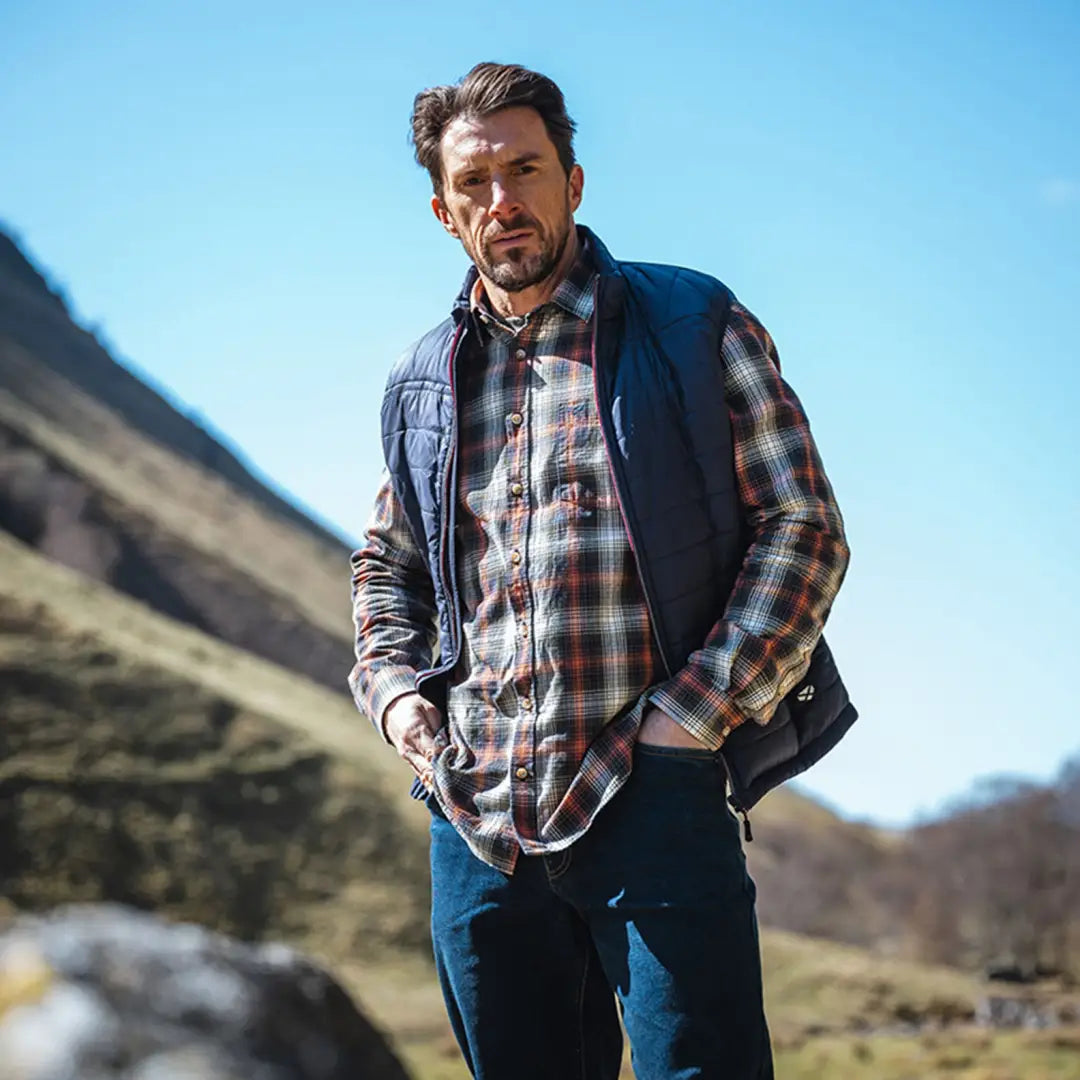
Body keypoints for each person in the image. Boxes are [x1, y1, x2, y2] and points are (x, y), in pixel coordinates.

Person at [349, 61, 855, 1080]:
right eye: (476, 183)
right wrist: (400, 701)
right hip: (477, 822)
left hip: (652, 791)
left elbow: (802, 528)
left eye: (527, 169)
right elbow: (385, 568)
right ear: (444, 212)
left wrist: (691, 720)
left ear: (573, 183)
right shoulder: (421, 383)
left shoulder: (693, 324)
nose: (505, 200)